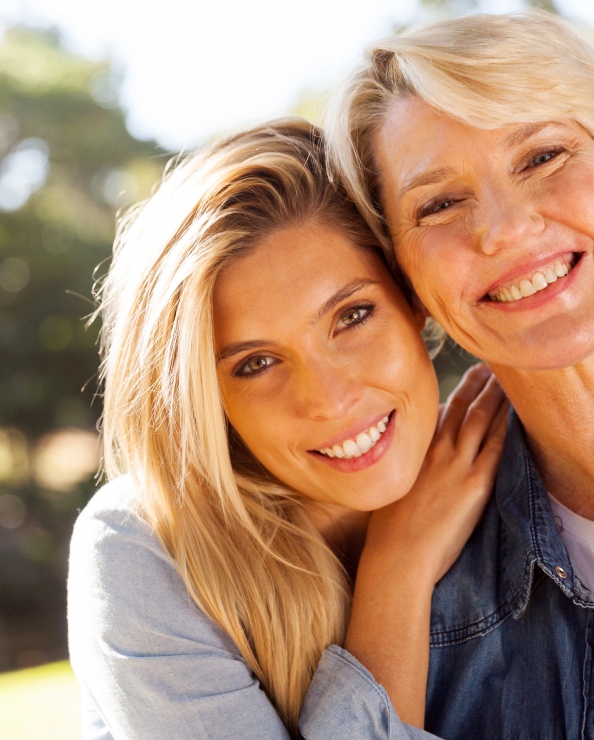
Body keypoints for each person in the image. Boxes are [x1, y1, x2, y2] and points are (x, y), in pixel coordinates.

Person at [317, 9, 594, 738]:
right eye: (440, 204)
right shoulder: (410, 596)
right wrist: (397, 573)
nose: (506, 228)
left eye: (542, 157)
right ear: (407, 283)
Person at [67, 119, 509, 739]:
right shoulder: (146, 545)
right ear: (207, 400)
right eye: (256, 364)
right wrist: (398, 566)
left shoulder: (517, 468)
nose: (329, 401)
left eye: (352, 316)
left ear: (412, 297)